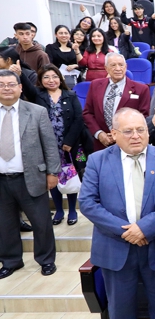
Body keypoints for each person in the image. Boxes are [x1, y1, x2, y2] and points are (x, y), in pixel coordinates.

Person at [78, 107, 155, 319]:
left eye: (140, 130)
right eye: (128, 131)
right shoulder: (97, 160)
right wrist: (127, 231)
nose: (136, 136)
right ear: (114, 134)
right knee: (120, 311)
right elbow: (87, 203)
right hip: (116, 247)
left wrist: (144, 229)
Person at [0, 70, 60, 279]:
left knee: (41, 222)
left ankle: (46, 260)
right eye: (1, 84)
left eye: (10, 84)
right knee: (5, 224)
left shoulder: (36, 111)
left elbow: (50, 145)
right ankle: (11, 260)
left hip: (31, 176)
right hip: (2, 180)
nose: (6, 88)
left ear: (20, 87)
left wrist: (53, 172)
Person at [21, 64, 83, 225]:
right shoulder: (38, 95)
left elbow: (78, 119)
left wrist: (69, 141)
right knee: (52, 177)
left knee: (69, 176)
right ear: (41, 80)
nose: (51, 80)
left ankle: (71, 210)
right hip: (46, 145)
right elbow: (27, 88)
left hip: (68, 145)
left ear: (60, 78)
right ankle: (59, 210)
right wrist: (19, 73)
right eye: (46, 77)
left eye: (54, 76)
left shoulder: (70, 94)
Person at [83, 54, 151, 151]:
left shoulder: (141, 89)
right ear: (106, 68)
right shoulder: (95, 85)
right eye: (113, 65)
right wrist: (99, 133)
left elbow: (143, 116)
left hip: (128, 141)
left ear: (126, 67)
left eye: (121, 65)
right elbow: (88, 112)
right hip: (101, 143)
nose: (117, 68)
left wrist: (122, 133)